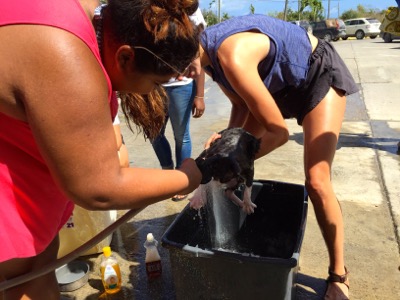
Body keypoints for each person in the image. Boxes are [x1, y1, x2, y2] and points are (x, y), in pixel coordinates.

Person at [0, 0, 202, 298]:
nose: (151, 93)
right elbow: (98, 187)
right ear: (125, 58)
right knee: (27, 277)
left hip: (18, 165)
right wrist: (188, 176)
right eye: (156, 83)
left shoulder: (84, 14)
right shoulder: (64, 53)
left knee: (39, 262)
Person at [195, 15, 358, 300]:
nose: (183, 78)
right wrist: (226, 139)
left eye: (181, 72)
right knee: (227, 154)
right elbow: (239, 104)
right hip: (279, 92)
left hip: (315, 75)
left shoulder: (230, 53)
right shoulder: (206, 59)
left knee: (317, 181)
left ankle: (338, 273)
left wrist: (232, 162)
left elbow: (278, 134)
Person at [151, 7, 206, 201]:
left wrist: (199, 95)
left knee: (180, 135)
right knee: (153, 133)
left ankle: (182, 180)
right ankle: (168, 173)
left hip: (181, 85)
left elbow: (199, 55)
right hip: (154, 83)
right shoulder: (151, 7)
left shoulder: (190, 10)